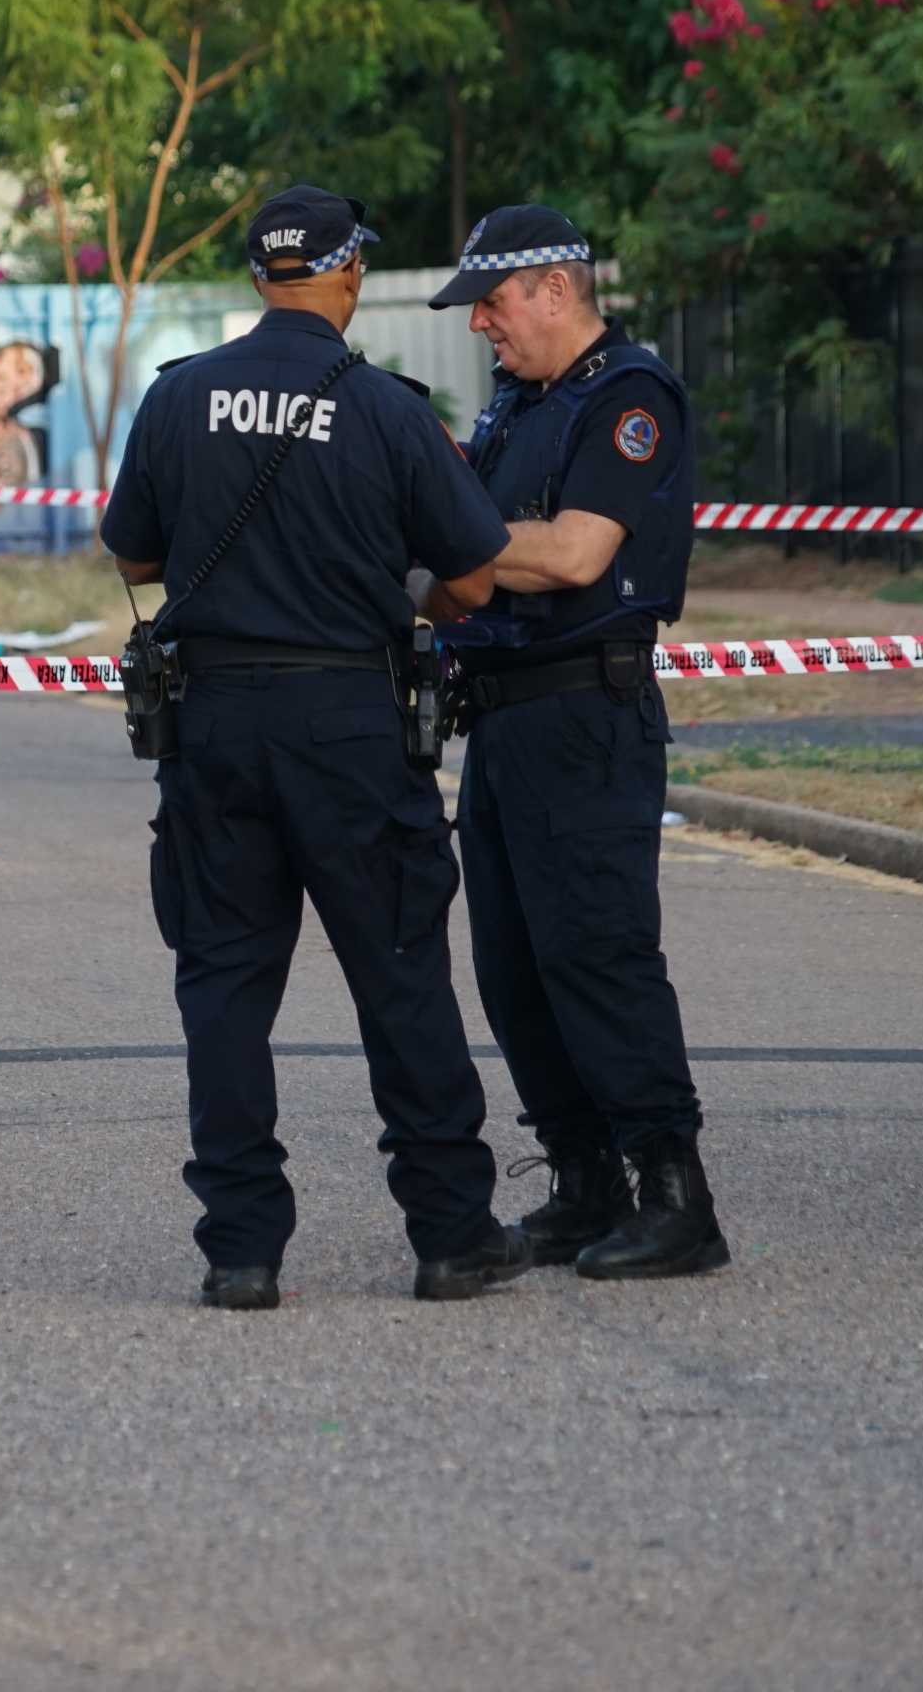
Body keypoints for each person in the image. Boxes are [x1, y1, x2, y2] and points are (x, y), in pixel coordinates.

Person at [100, 185, 521, 1310]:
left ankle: (241, 1248)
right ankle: (451, 1233)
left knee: (225, 986)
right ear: (344, 274)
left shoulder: (180, 397)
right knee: (399, 976)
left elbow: (135, 555)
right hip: (349, 726)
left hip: (217, 725)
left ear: (257, 279)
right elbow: (475, 580)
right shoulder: (387, 409)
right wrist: (385, 572)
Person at [423, 203, 729, 1279]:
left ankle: (674, 1194)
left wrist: (449, 546)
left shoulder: (628, 398)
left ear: (556, 287)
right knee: (512, 965)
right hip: (505, 715)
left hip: (585, 714)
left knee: (597, 951)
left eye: (492, 304)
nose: (480, 328)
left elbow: (571, 554)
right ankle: (582, 1177)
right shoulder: (515, 410)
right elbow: (457, 556)